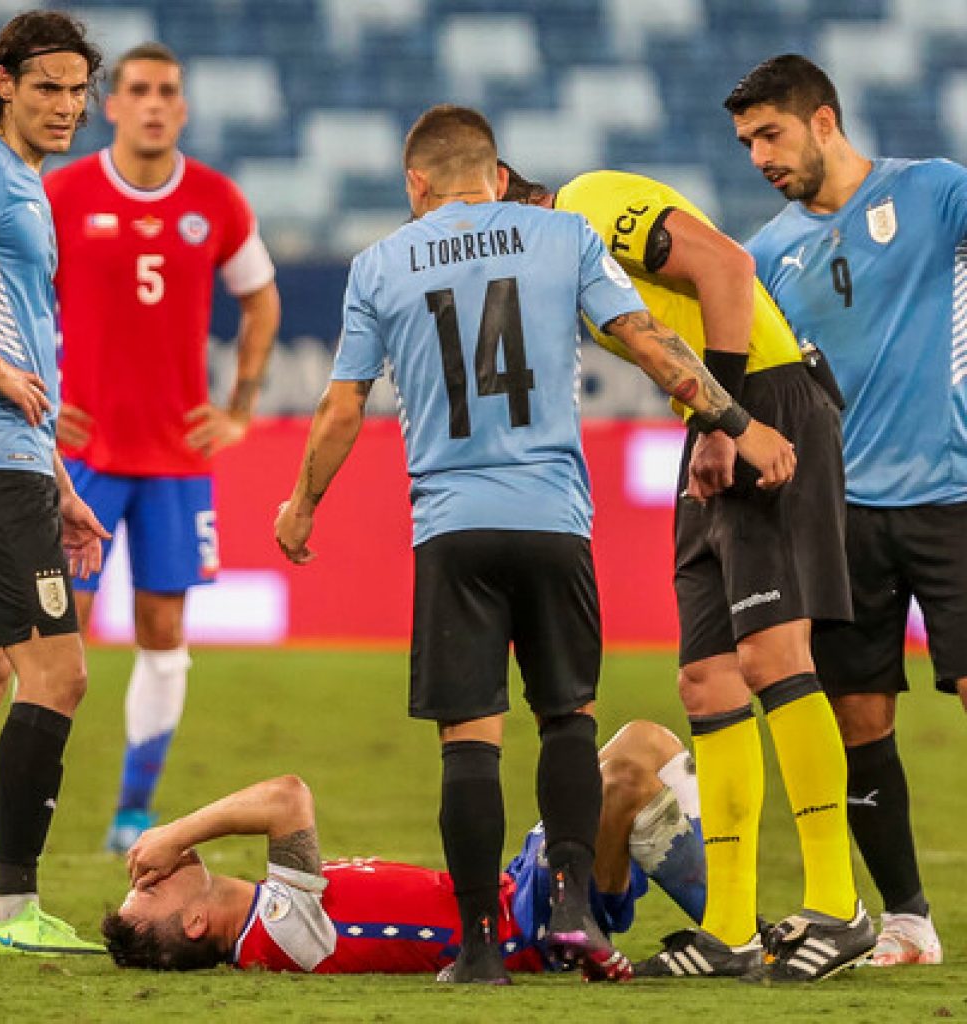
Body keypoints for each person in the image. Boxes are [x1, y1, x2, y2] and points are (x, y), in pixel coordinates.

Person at [273, 104, 795, 984]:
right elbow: (649, 343)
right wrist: (736, 424)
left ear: (417, 184)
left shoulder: (377, 264)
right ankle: (572, 909)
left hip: (451, 526)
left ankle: (480, 948)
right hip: (553, 517)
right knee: (567, 720)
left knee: (469, 740)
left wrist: (300, 505)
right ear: (495, 173)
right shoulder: (563, 238)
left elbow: (342, 405)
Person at [499, 165, 873, 981]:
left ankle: (838, 907)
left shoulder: (585, 205)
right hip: (711, 419)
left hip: (758, 405)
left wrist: (725, 420)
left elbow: (727, 267)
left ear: (503, 183)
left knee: (776, 657)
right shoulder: (563, 265)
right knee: (707, 678)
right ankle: (733, 928)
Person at [724, 52, 959, 968]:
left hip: (954, 495)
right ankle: (906, 920)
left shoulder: (936, 194)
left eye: (770, 135)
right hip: (840, 514)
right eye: (746, 143)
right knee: (860, 718)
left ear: (824, 121)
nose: (758, 158)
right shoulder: (765, 255)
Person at [45, 42, 281, 855]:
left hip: (177, 463)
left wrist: (240, 407)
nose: (152, 103)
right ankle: (32, 801)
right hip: (84, 457)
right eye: (137, 89)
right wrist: (41, 401)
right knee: (52, 635)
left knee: (163, 631)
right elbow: (12, 303)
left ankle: (131, 814)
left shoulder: (215, 200)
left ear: (183, 108)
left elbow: (262, 301)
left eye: (167, 91)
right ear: (110, 105)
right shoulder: (63, 193)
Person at [0, 10, 110, 956]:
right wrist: (0, 377)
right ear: (4, 82)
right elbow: (6, 358)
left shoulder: (24, 187)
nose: (66, 106)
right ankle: (16, 908)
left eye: (78, 91)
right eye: (47, 87)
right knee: (62, 672)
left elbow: (21, 347)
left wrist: (61, 479)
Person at [102, 720, 704, 977]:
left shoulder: (271, 912)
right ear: (196, 921)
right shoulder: (275, 934)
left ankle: (728, 924)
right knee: (628, 767)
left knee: (632, 756)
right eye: (150, 891)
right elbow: (287, 798)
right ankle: (735, 933)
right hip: (533, 924)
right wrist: (175, 831)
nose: (150, 873)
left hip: (520, 890)